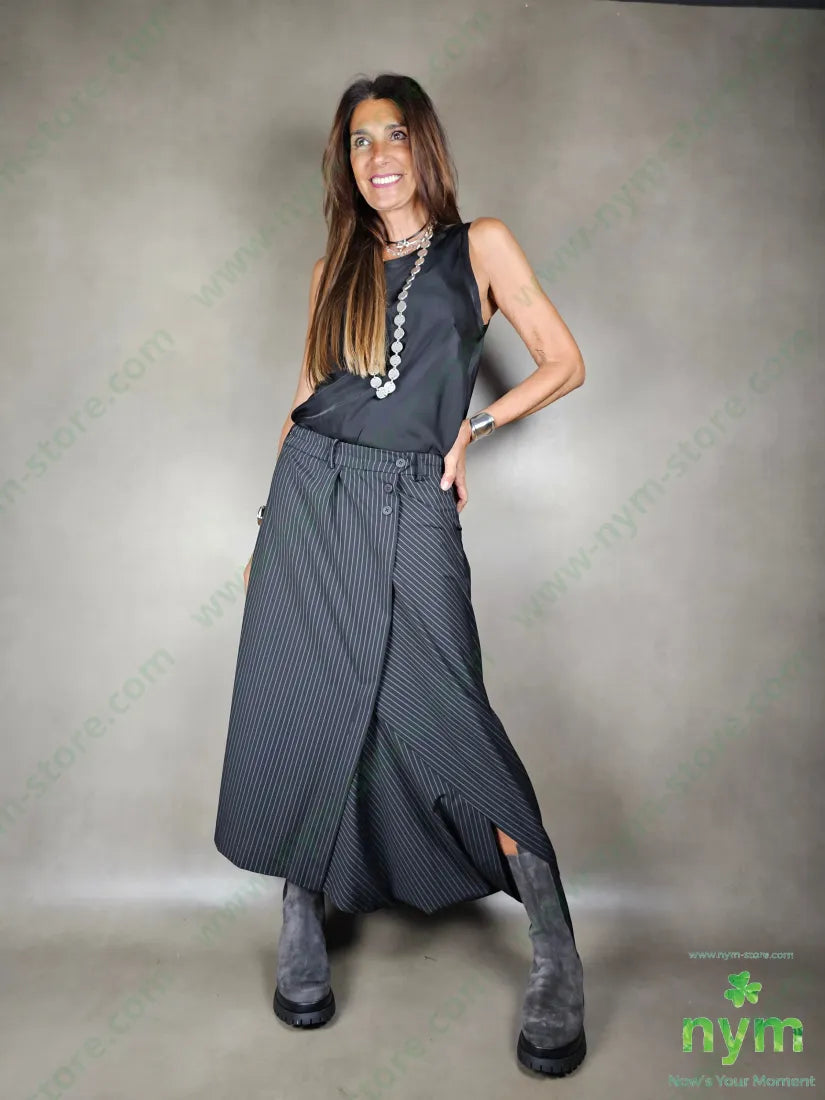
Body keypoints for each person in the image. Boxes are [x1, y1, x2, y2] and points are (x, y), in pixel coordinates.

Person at [213, 72, 587, 1078]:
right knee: (303, 703)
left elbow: (562, 360)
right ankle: (301, 909)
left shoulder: (482, 246)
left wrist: (474, 428)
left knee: (447, 711)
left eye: (392, 135)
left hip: (413, 496)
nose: (377, 156)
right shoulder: (332, 267)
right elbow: (306, 396)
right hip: (311, 496)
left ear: (424, 144)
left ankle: (554, 945)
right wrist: (267, 532)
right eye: (358, 141)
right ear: (346, 161)